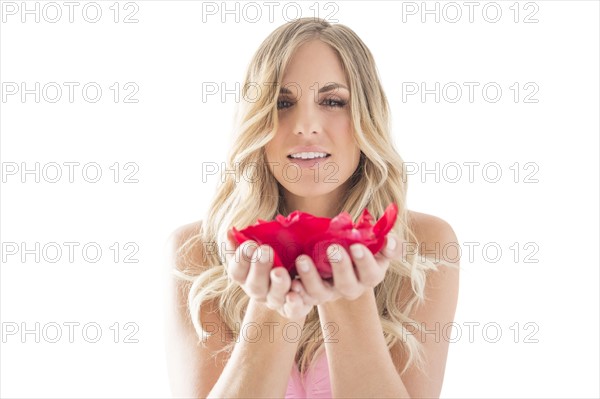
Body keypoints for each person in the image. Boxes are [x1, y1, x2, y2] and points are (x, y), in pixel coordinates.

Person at [165, 17, 460, 399]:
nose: (305, 125)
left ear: (365, 117)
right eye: (282, 102)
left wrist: (348, 299)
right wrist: (272, 306)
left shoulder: (426, 244)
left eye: (332, 101)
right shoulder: (195, 251)